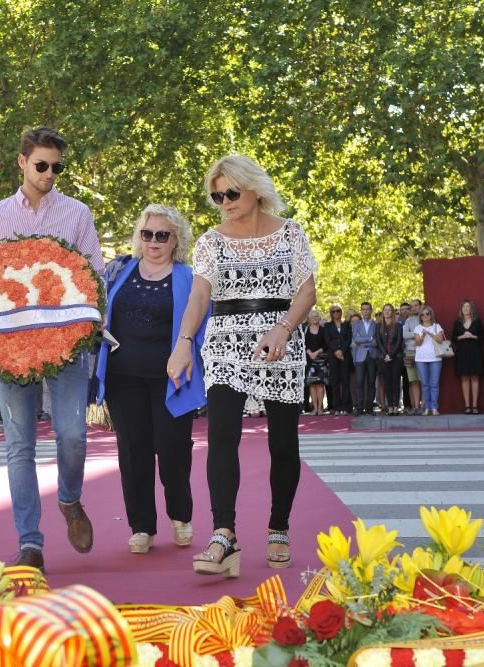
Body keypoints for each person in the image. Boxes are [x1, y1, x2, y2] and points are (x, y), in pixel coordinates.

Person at [167, 154, 317, 576]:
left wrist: (284, 329)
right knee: (222, 435)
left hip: (280, 337)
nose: (225, 202)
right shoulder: (211, 241)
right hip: (225, 341)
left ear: (255, 189)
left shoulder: (290, 234)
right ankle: (224, 534)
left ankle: (279, 527)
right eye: (217, 196)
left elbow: (307, 293)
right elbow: (199, 297)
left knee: (283, 443)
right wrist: (183, 344)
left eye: (232, 192)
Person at [0, 127, 104, 571]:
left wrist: (85, 326)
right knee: (18, 446)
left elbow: (94, 274)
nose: (49, 174)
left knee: (72, 434)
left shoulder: (77, 213)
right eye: (41, 165)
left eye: (56, 167)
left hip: (67, 344)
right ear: (22, 162)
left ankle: (69, 500)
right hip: (10, 350)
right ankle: (30, 543)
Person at [94, 204, 207, 554]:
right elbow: (97, 307)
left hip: (172, 379)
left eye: (162, 235)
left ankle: (180, 516)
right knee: (133, 452)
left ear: (176, 240)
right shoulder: (119, 270)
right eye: (147, 234)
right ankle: (141, 525)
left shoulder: (188, 277)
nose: (153, 241)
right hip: (122, 377)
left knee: (173, 451)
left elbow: (201, 324)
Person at [452, 299, 484, 414]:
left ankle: (474, 405)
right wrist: (461, 337)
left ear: (472, 309)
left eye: (468, 307)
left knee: (475, 378)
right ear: (461, 309)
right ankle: (467, 405)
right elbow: (453, 338)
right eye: (464, 307)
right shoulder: (457, 322)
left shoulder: (477, 321)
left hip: (475, 352)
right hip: (461, 353)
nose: (466, 309)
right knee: (464, 378)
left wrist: (473, 336)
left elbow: (483, 337)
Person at [413, 305, 445, 415]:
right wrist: (422, 335)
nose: (425, 316)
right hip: (421, 359)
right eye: (422, 314)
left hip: (435, 358)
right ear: (420, 317)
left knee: (434, 383)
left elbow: (440, 340)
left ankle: (434, 407)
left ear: (431, 315)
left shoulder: (437, 326)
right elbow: (417, 343)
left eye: (427, 314)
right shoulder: (417, 328)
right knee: (425, 384)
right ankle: (427, 407)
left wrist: (429, 333)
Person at [375, 304, 404, 415]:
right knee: (387, 382)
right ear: (383, 312)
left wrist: (391, 355)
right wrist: (385, 355)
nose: (387, 312)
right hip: (384, 358)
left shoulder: (398, 326)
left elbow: (399, 341)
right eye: (385, 310)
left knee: (396, 382)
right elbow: (378, 342)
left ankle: (396, 406)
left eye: (389, 310)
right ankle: (390, 406)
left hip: (396, 357)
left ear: (392, 312)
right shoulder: (378, 326)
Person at [323, 304, 351, 415]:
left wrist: (342, 351)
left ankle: (345, 406)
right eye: (333, 311)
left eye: (338, 311)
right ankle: (336, 407)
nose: (336, 313)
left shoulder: (346, 325)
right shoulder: (327, 326)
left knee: (345, 381)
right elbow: (327, 340)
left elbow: (349, 339)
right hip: (332, 355)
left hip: (345, 355)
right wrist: (336, 351)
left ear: (341, 312)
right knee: (334, 381)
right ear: (331, 313)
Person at [352, 302, 378, 415]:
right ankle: (359, 408)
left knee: (371, 382)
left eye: (368, 309)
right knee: (359, 382)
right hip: (360, 357)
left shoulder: (376, 324)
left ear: (371, 310)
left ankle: (369, 408)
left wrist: (364, 340)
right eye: (363, 309)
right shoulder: (356, 324)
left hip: (372, 355)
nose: (366, 311)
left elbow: (376, 341)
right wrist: (369, 339)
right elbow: (356, 339)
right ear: (361, 311)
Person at [304, 310, 328, 415]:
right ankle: (314, 408)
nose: (315, 318)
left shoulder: (324, 330)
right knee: (312, 385)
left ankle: (320, 408)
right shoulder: (305, 330)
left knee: (320, 385)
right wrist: (310, 353)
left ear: (319, 318)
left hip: (321, 360)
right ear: (309, 318)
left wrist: (317, 352)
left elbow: (326, 344)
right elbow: (303, 344)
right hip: (309, 360)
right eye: (313, 316)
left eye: (316, 316)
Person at [403, 298, 423, 413]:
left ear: (421, 306)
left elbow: (427, 333)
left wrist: (413, 334)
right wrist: (417, 334)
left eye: (416, 305)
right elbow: (405, 335)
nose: (414, 308)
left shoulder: (425, 318)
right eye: (412, 306)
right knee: (413, 380)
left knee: (423, 380)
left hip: (423, 353)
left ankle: (423, 406)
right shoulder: (408, 320)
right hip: (410, 352)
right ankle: (415, 406)